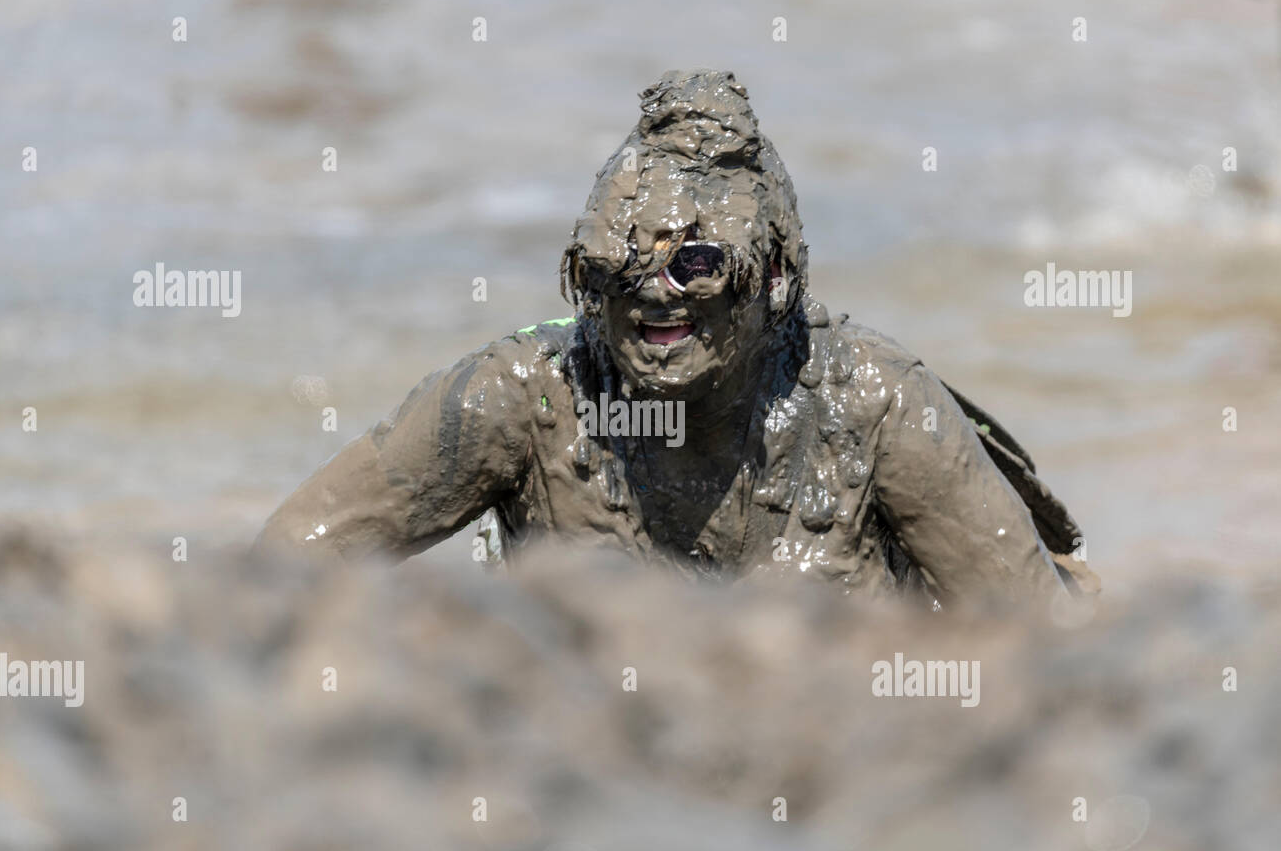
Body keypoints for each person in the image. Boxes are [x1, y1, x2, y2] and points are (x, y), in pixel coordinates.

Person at [255, 69, 1095, 608]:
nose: (655, 294)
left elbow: (1042, 645)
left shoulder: (876, 404)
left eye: (696, 263)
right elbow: (273, 576)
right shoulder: (527, 394)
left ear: (773, 275)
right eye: (616, 262)